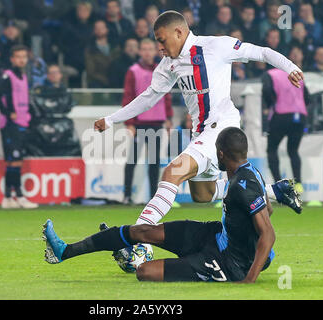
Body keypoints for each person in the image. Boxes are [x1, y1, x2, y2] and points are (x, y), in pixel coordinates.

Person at [94, 11, 303, 229]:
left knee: (172, 172)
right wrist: (111, 119)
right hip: (201, 132)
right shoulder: (169, 64)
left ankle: (137, 237)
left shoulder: (216, 46)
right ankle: (275, 191)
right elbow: (148, 98)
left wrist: (290, 67)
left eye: (162, 40)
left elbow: (262, 52)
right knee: (204, 194)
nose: (160, 48)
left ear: (178, 32)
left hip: (222, 127)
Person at [43, 127, 277, 284]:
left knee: (144, 273)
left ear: (221, 153)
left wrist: (249, 279)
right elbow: (267, 209)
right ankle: (65, 251)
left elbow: (268, 234)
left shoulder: (241, 184)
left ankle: (133, 258)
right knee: (142, 231)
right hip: (214, 236)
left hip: (227, 263)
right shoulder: (250, 172)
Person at [122, 38, 173, 205]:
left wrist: (169, 117)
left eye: (150, 49)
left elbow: (166, 95)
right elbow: (128, 96)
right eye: (144, 49)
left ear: (155, 51)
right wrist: (129, 122)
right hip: (139, 123)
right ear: (139, 51)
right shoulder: (133, 71)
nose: (147, 52)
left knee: (154, 162)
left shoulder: (162, 69)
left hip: (157, 121)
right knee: (132, 160)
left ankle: (153, 197)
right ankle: (127, 195)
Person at [0, 45, 39, 210]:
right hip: (11, 124)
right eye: (18, 57)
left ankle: (8, 196)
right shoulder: (8, 76)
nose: (21, 60)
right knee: (15, 161)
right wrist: (8, 112)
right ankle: (17, 195)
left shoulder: (23, 76)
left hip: (22, 122)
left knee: (15, 161)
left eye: (24, 57)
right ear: (12, 59)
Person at [262, 46, 310, 194]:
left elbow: (267, 91)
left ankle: (279, 185)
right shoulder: (297, 74)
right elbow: (307, 97)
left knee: (272, 149)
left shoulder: (270, 74)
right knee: (293, 150)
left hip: (281, 115)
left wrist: (270, 105)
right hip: (300, 116)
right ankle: (299, 184)